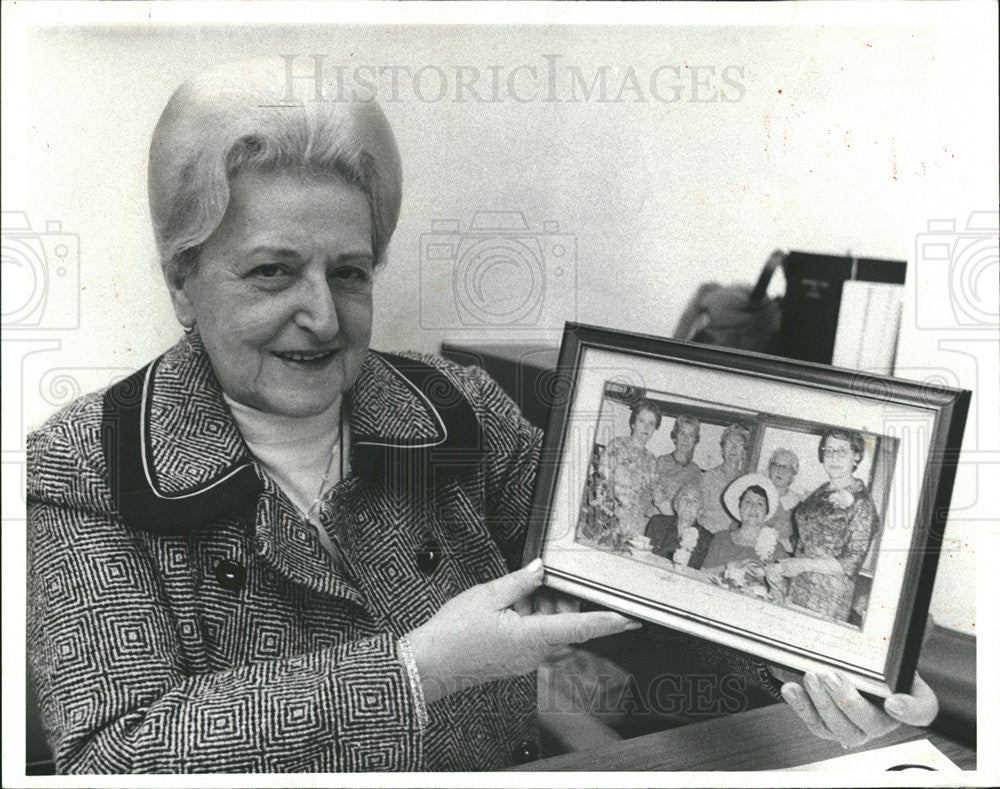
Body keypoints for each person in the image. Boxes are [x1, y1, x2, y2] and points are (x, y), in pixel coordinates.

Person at [25, 58, 937, 774]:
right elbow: (114, 756)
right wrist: (417, 671)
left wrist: (822, 660)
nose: (324, 314)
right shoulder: (77, 471)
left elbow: (631, 585)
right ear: (181, 282)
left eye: (349, 270)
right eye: (272, 271)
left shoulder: (453, 408)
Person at [765, 428, 880, 623]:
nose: (834, 457)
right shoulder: (821, 491)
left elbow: (851, 562)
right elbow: (806, 537)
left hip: (829, 593)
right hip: (799, 581)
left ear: (856, 456)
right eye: (829, 450)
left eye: (842, 451)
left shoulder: (862, 502)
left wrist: (801, 565)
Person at [595, 399, 661, 544]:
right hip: (607, 515)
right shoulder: (617, 445)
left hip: (633, 525)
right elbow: (601, 481)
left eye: (651, 423)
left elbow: (660, 498)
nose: (646, 427)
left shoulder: (651, 460)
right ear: (633, 423)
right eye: (642, 421)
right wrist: (613, 510)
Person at [702, 474, 788, 576]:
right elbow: (703, 574)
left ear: (766, 512)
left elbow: (781, 588)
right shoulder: (721, 538)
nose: (753, 507)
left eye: (760, 503)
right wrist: (728, 567)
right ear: (740, 507)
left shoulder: (777, 549)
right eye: (748, 502)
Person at [645, 483, 713, 569]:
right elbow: (645, 555)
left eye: (695, 501)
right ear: (676, 505)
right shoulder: (658, 522)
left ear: (700, 511)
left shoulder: (707, 538)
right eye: (685, 499)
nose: (689, 504)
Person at [699, 423, 751, 534]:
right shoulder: (709, 477)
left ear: (744, 453)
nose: (733, 448)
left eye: (739, 444)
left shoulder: (748, 483)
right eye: (729, 443)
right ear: (722, 450)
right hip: (708, 535)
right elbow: (698, 512)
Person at [650, 414, 704, 516]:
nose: (685, 439)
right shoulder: (660, 462)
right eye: (682, 433)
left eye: (691, 435)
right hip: (656, 520)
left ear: (695, 440)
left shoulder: (696, 472)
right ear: (675, 436)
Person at [765, 448, 804, 552]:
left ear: (793, 473)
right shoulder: (756, 496)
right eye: (776, 465)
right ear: (770, 469)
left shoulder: (798, 504)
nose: (779, 471)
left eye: (786, 467)